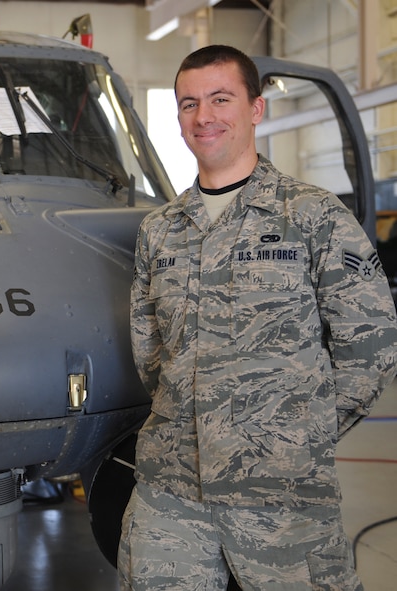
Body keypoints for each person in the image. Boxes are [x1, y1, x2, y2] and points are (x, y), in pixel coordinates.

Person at [119, 44, 397, 590]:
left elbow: (370, 347)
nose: (204, 117)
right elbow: (151, 352)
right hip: (171, 486)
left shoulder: (313, 215)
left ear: (254, 109)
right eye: (188, 103)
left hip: (285, 492)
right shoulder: (159, 230)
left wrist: (293, 432)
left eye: (221, 99)